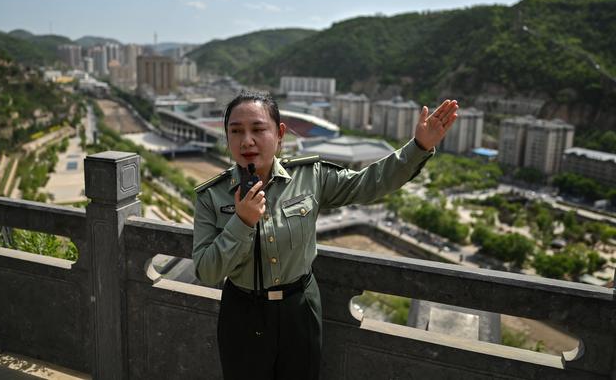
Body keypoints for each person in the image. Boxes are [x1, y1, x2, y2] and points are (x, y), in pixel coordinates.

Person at [192, 90, 459, 380]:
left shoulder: (310, 176)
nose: (247, 140)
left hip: (299, 309)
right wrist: (242, 222)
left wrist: (418, 147)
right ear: (227, 137)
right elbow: (206, 272)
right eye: (236, 131)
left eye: (258, 129)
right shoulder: (212, 196)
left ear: (279, 133)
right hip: (242, 312)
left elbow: (368, 184)